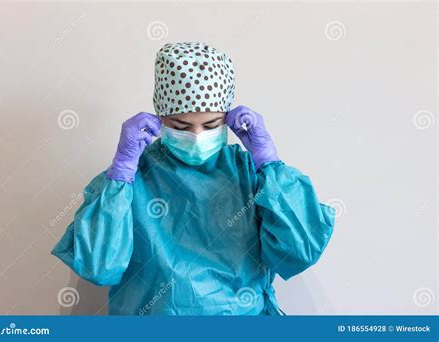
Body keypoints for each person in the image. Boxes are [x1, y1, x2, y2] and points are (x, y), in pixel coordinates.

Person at [51, 42, 335, 315]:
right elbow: (98, 266)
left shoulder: (250, 173)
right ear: (161, 117)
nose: (197, 137)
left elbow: (299, 252)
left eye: (211, 125)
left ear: (226, 119)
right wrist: (121, 170)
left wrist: (269, 162)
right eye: (181, 126)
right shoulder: (130, 179)